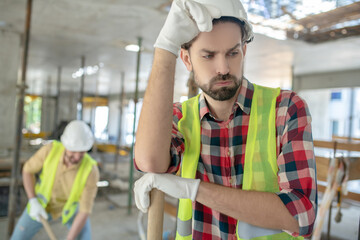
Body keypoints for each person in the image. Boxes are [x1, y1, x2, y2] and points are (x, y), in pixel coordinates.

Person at [133, 0, 317, 239]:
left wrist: (193, 190)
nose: (223, 68)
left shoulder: (286, 109)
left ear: (244, 50)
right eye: (208, 56)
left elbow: (301, 216)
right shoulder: (179, 118)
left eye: (233, 53)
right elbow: (150, 162)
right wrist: (164, 51)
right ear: (187, 60)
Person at [11, 120, 99, 240]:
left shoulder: (91, 170)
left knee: (84, 237)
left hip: (69, 208)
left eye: (82, 152)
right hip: (40, 204)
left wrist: (70, 238)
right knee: (18, 237)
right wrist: (32, 200)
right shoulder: (50, 150)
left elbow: (84, 210)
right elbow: (27, 171)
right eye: (73, 151)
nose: (77, 157)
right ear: (65, 145)